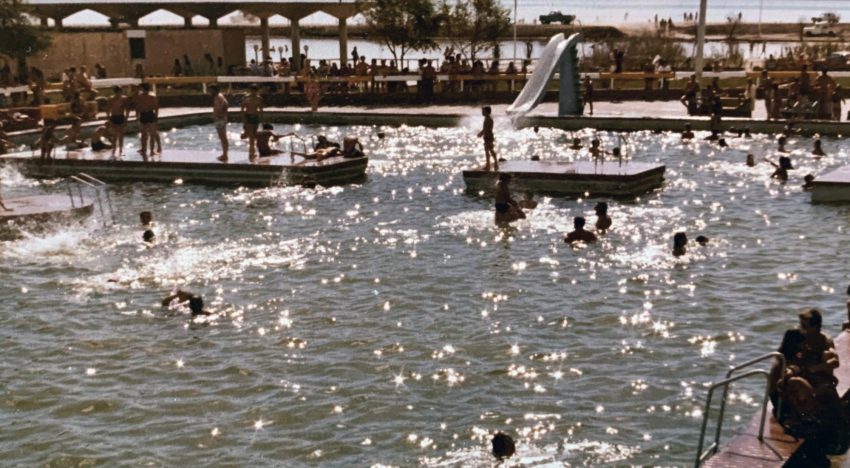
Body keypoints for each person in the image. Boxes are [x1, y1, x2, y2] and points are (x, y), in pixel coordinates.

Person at [135, 83, 160, 160]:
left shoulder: (139, 97)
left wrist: (137, 116)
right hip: (149, 114)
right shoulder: (152, 97)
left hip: (144, 114)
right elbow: (156, 107)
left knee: (144, 134)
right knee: (151, 134)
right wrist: (156, 115)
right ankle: (151, 150)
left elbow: (137, 107)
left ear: (143, 89)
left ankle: (144, 149)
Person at [241, 84, 263, 161]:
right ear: (250, 90)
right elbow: (242, 109)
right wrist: (244, 120)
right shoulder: (246, 98)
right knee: (251, 137)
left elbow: (260, 110)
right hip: (249, 117)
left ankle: (253, 152)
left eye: (255, 91)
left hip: (255, 118)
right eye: (252, 90)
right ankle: (251, 153)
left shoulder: (259, 98)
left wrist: (262, 120)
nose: (254, 92)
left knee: (254, 135)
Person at [107, 86, 129, 158]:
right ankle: (114, 150)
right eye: (118, 92)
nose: (119, 93)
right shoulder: (111, 99)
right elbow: (108, 109)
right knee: (114, 135)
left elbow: (127, 109)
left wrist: (126, 118)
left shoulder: (124, 99)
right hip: (114, 116)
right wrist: (109, 119)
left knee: (121, 134)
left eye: (120, 92)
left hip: (120, 116)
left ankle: (121, 150)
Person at [210, 85, 229, 162]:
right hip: (219, 119)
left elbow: (226, 104)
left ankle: (225, 155)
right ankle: (224, 154)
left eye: (211, 90)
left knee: (223, 137)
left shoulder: (219, 96)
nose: (210, 92)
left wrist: (220, 112)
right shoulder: (218, 96)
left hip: (220, 119)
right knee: (222, 137)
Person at [478, 106, 497, 171]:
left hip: (489, 136)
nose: (482, 112)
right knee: (488, 150)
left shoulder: (488, 119)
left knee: (490, 150)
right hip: (487, 136)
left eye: (483, 111)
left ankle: (494, 164)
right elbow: (485, 128)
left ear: (486, 112)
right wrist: (482, 133)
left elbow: (486, 129)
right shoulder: (487, 118)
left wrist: (481, 133)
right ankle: (488, 165)